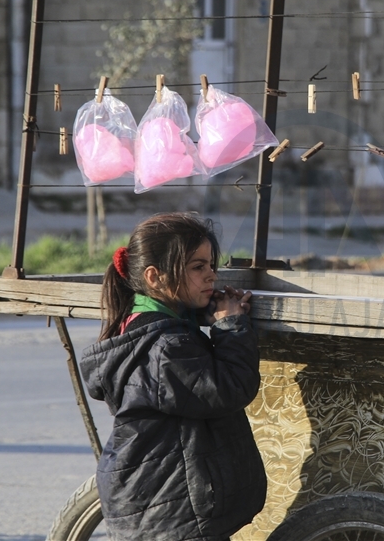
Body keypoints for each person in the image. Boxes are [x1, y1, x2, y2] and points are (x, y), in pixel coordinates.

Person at [80, 213, 267, 541]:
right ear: (155, 277)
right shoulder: (166, 346)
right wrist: (230, 326)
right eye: (198, 267)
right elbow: (228, 388)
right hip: (168, 504)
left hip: (159, 495)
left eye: (211, 265)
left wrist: (203, 312)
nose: (211, 275)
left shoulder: (150, 323)